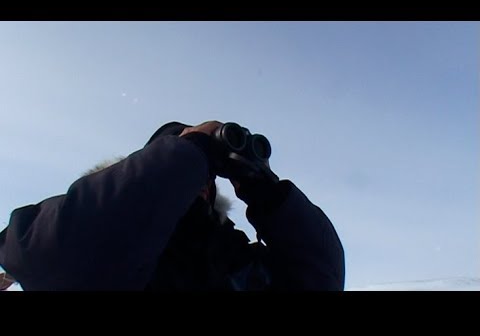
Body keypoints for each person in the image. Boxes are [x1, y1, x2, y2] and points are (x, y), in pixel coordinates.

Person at [0, 120, 345, 291]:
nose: (201, 185)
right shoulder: (99, 231)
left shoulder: (232, 256)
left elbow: (319, 278)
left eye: (207, 178)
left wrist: (267, 192)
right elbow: (57, 256)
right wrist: (193, 150)